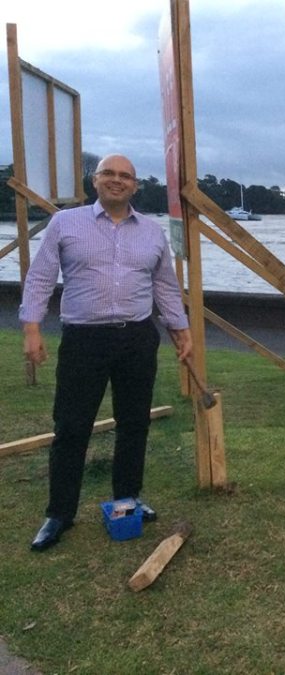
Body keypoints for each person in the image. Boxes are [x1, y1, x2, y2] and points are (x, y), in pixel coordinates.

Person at [20, 154, 192, 552]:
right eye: (109, 174)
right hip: (84, 340)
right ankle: (59, 514)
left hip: (137, 338)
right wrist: (32, 328)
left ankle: (127, 499)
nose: (117, 180)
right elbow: (41, 276)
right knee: (71, 426)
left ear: (135, 186)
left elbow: (165, 286)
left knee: (134, 423)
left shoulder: (151, 232)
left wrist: (180, 329)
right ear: (95, 181)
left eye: (125, 176)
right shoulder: (65, 223)